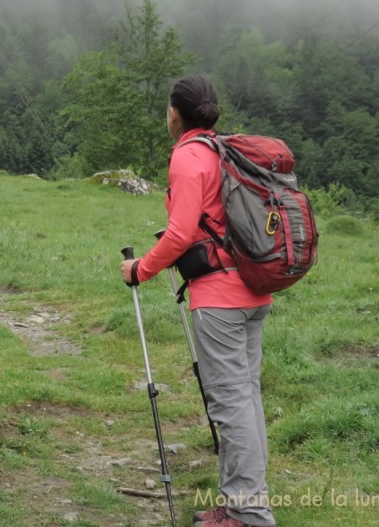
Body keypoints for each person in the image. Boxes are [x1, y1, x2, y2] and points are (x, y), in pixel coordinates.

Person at [120, 76, 276, 527]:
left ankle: (248, 515)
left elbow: (181, 233)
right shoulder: (226, 150)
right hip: (254, 289)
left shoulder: (190, 155)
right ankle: (238, 505)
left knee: (230, 406)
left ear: (175, 113)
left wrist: (139, 269)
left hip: (220, 299)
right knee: (245, 399)